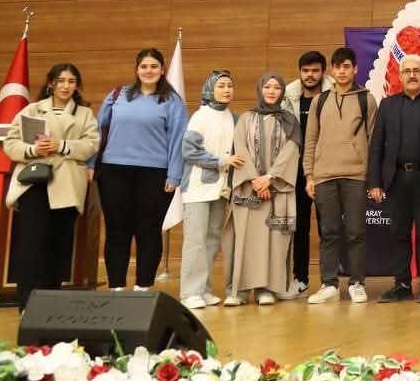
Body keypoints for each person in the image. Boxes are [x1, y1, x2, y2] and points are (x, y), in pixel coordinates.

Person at [2, 63, 99, 311]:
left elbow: (91, 145)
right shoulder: (32, 110)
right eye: (61, 81)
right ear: (51, 84)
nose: (66, 86)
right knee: (32, 246)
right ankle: (28, 304)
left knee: (60, 245)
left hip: (66, 187)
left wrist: (63, 146)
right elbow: (11, 144)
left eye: (71, 81)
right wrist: (34, 150)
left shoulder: (85, 114)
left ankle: (53, 305)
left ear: (77, 86)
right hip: (35, 185)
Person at [96, 47, 188, 291]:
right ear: (137, 69)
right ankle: (116, 287)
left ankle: (143, 286)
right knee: (117, 230)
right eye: (144, 66)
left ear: (162, 70)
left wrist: (174, 175)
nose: (149, 71)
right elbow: (96, 132)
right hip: (113, 171)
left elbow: (178, 139)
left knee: (148, 231)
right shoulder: (117, 95)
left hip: (155, 174)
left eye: (154, 66)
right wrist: (89, 165)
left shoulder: (172, 101)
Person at [370, 53, 420, 303]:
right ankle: (401, 284)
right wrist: (375, 182)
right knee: (398, 232)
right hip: (396, 178)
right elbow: (377, 146)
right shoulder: (388, 105)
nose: (412, 75)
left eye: (417, 71)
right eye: (407, 71)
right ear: (399, 76)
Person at [303, 47, 375, 304]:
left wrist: (371, 176)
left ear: (355, 68)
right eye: (337, 67)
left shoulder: (367, 99)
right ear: (332, 71)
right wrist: (310, 175)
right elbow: (311, 139)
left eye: (347, 66)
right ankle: (329, 284)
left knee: (356, 231)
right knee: (329, 231)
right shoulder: (319, 101)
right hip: (324, 176)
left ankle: (357, 283)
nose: (342, 71)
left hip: (356, 175)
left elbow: (373, 140)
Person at [225, 73, 301, 305]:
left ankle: (265, 289)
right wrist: (256, 181)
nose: (271, 91)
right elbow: (241, 149)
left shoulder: (289, 120)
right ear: (260, 89)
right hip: (248, 190)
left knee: (273, 241)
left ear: (282, 92)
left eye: (276, 87)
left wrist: (269, 178)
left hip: (277, 189)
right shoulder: (246, 118)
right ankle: (237, 291)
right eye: (267, 87)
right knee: (245, 239)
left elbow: (291, 151)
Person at [179, 71, 243, 310]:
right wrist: (220, 162)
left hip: (220, 189)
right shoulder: (200, 116)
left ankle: (203, 290)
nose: (226, 90)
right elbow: (189, 151)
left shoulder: (232, 118)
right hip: (197, 188)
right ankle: (189, 292)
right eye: (221, 86)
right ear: (210, 89)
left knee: (212, 240)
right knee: (195, 240)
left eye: (230, 85)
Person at [281, 50, 331, 297]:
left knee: (327, 228)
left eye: (315, 71)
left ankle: (328, 282)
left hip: (325, 170)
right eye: (305, 71)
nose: (310, 75)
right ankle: (300, 279)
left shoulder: (334, 95)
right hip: (295, 172)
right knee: (298, 228)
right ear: (300, 72)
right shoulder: (287, 96)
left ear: (323, 72)